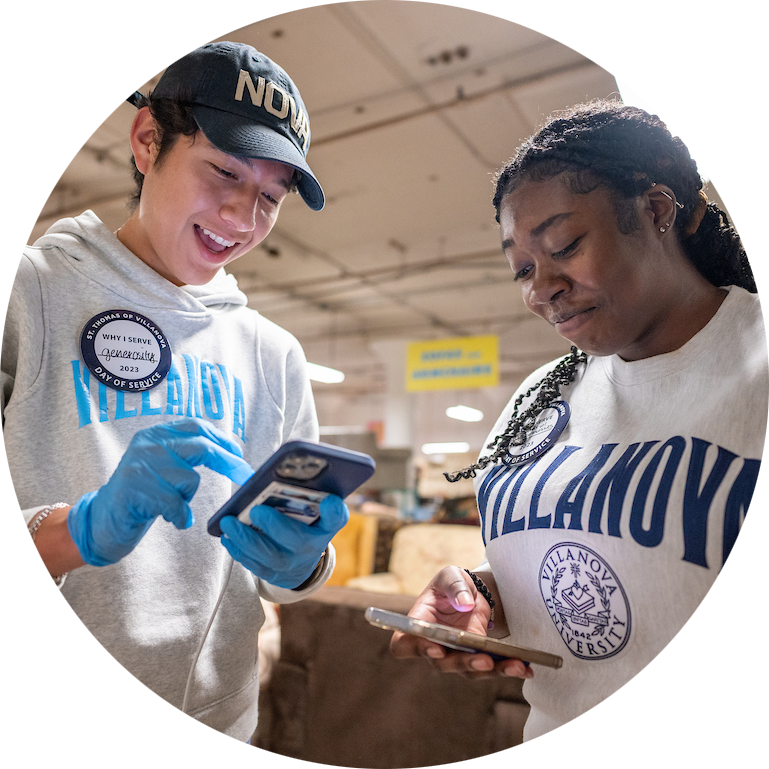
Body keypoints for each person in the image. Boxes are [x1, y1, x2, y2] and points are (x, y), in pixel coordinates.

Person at [1, 41, 349, 742]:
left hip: (221, 721)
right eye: (224, 170)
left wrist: (305, 559)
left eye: (270, 197)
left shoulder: (273, 354)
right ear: (146, 138)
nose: (243, 216)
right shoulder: (29, 294)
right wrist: (80, 528)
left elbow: (284, 583)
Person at [390, 100, 767, 742]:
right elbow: (595, 563)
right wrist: (480, 595)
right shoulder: (542, 397)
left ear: (655, 212)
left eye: (564, 246)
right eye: (522, 268)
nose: (541, 289)